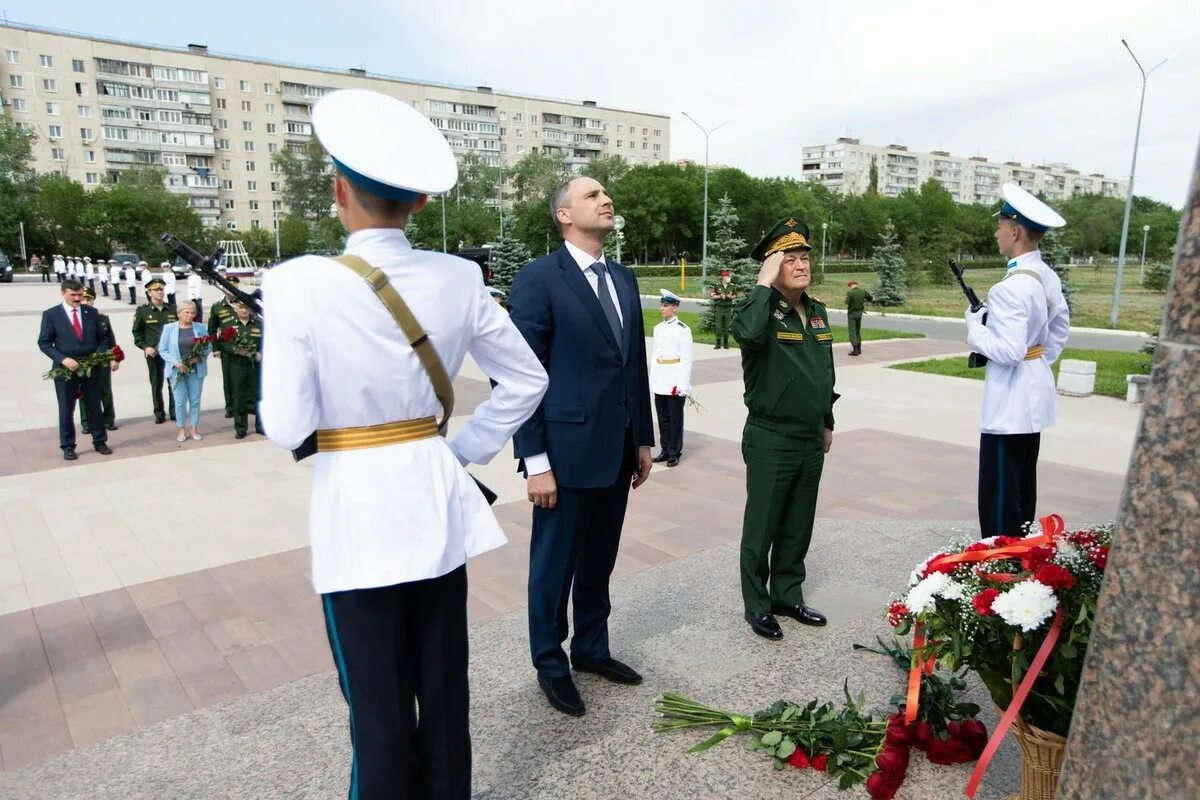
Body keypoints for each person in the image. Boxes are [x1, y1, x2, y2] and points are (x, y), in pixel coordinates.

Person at [259, 88, 547, 800]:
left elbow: (285, 427)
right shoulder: (459, 277)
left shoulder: (297, 283)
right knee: (443, 695)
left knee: (378, 714)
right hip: (435, 504)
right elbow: (526, 379)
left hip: (356, 520)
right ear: (419, 202)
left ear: (338, 190)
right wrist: (455, 450)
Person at [507, 175, 654, 718]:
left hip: (615, 450)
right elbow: (517, 373)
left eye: (606, 193)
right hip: (563, 455)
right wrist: (535, 459)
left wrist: (642, 437)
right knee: (554, 564)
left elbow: (631, 363)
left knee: (599, 559)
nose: (606, 199)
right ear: (564, 215)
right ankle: (550, 662)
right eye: (592, 195)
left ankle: (591, 649)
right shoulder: (540, 279)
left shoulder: (623, 277)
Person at [734, 216, 838, 640]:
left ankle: (787, 595)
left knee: (798, 523)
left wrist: (827, 420)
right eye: (789, 260)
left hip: (810, 436)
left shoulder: (816, 311)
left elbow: (824, 371)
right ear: (772, 267)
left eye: (804, 258)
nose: (800, 265)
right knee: (762, 525)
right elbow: (747, 334)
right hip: (770, 436)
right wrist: (762, 284)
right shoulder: (757, 309)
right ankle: (757, 604)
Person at [967, 183, 1070, 537]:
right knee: (1023, 486)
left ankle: (999, 565)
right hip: (1033, 394)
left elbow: (1009, 352)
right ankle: (1023, 557)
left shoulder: (1009, 287)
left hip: (1009, 404)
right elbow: (1059, 330)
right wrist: (1037, 361)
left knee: (999, 493)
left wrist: (974, 328)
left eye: (1000, 227)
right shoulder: (1046, 276)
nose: (997, 234)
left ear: (1014, 230)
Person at [37, 279, 116, 460]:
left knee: (94, 406)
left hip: (91, 369)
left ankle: (100, 441)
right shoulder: (51, 315)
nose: (77, 298)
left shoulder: (91, 312)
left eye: (80, 295)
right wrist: (62, 359)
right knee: (66, 408)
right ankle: (67, 445)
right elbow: (44, 343)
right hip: (65, 370)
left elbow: (102, 340)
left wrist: (98, 356)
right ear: (63, 293)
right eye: (73, 295)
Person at [650, 288, 693, 467]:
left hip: (674, 378)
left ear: (675, 308)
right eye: (661, 305)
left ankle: (675, 452)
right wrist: (652, 379)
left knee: (675, 418)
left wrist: (682, 384)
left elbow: (686, 359)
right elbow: (654, 355)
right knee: (663, 418)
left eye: (665, 306)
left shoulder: (683, 330)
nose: (662, 308)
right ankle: (665, 450)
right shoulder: (658, 328)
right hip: (661, 378)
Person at [158, 300, 210, 443]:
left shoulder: (200, 327)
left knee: (195, 400)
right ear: (179, 313)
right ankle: (181, 429)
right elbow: (162, 349)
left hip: (195, 370)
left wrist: (199, 357)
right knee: (180, 401)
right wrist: (176, 363)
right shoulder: (169, 328)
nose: (190, 315)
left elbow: (208, 346)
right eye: (187, 312)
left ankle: (194, 428)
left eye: (192, 312)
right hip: (177, 370)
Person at [131, 278, 178, 424]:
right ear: (149, 292)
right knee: (156, 383)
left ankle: (175, 411)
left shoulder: (172, 309)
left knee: (174, 382)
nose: (159, 292)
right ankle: (159, 412)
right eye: (156, 290)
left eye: (161, 289)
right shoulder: (143, 311)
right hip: (154, 353)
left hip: (171, 353)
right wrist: (146, 347)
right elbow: (137, 333)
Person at [78, 287, 120, 433]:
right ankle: (86, 422)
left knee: (105, 391)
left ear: (93, 300)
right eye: (82, 299)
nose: (85, 302)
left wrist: (114, 358)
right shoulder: (75, 319)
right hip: (84, 362)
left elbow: (111, 340)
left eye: (88, 299)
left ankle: (109, 419)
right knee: (83, 392)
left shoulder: (102, 318)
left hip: (102, 360)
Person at [222, 299, 264, 438]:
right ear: (235, 309)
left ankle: (261, 426)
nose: (244, 310)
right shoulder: (229, 326)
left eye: (246, 307)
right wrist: (236, 350)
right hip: (238, 365)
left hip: (256, 366)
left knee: (258, 396)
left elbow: (268, 342)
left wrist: (261, 353)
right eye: (240, 308)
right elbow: (223, 345)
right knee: (239, 397)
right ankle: (241, 428)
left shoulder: (259, 324)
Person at [207, 276, 241, 418]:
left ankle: (249, 405)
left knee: (249, 377)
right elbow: (212, 329)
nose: (231, 290)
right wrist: (215, 347)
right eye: (228, 287)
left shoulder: (246, 304)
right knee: (228, 379)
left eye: (234, 286)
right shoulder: (218, 307)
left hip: (248, 347)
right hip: (227, 347)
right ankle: (231, 406)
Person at [845, 279, 874, 356]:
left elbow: (847, 302)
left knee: (852, 332)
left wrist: (847, 296)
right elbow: (870, 298)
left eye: (850, 286)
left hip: (852, 314)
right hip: (859, 314)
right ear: (856, 284)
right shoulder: (863, 291)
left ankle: (855, 350)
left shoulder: (850, 293)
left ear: (851, 285)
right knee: (858, 331)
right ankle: (859, 349)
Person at [710, 269, 737, 349]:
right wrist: (720, 296)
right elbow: (712, 296)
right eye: (727, 276)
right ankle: (718, 343)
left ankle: (726, 343)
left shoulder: (732, 286)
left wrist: (730, 296)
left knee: (726, 326)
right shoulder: (717, 285)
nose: (729, 277)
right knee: (718, 326)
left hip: (728, 308)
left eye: (729, 276)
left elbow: (735, 296)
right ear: (723, 277)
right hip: (719, 308)